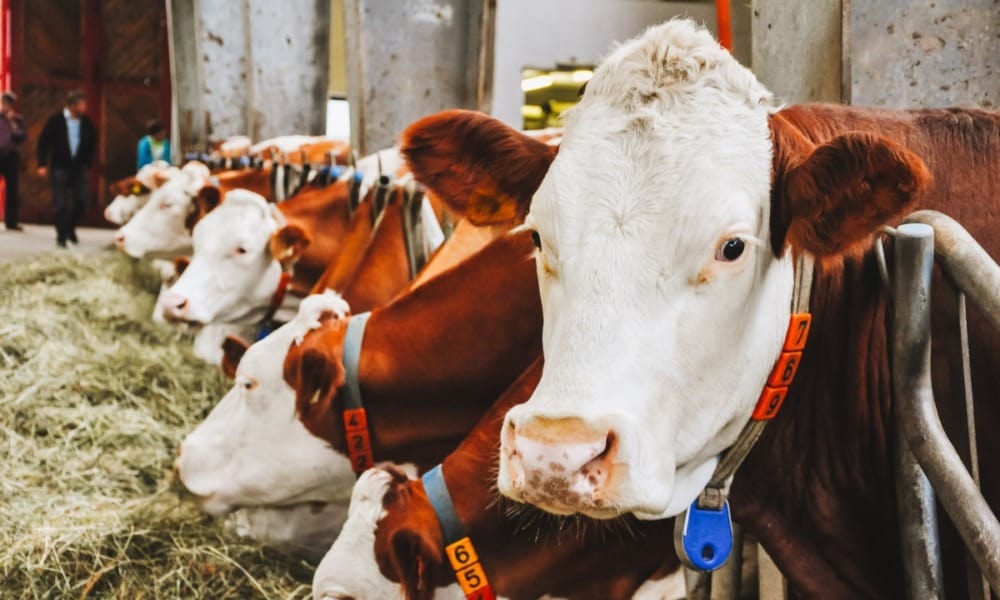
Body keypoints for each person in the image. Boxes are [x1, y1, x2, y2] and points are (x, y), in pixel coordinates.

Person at [36, 89, 97, 248]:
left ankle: (70, 227)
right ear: (72, 105)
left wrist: (88, 162)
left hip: (79, 167)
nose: (84, 107)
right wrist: (42, 163)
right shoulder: (56, 120)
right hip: (60, 167)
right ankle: (61, 235)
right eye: (81, 104)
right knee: (60, 203)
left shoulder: (86, 122)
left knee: (81, 201)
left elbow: (92, 143)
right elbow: (44, 142)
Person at [0, 91, 26, 231]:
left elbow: (21, 137)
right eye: (4, 102)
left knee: (12, 190)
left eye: (8, 103)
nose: (5, 106)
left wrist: (12, 123)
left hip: (11, 156)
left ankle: (11, 221)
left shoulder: (17, 120)